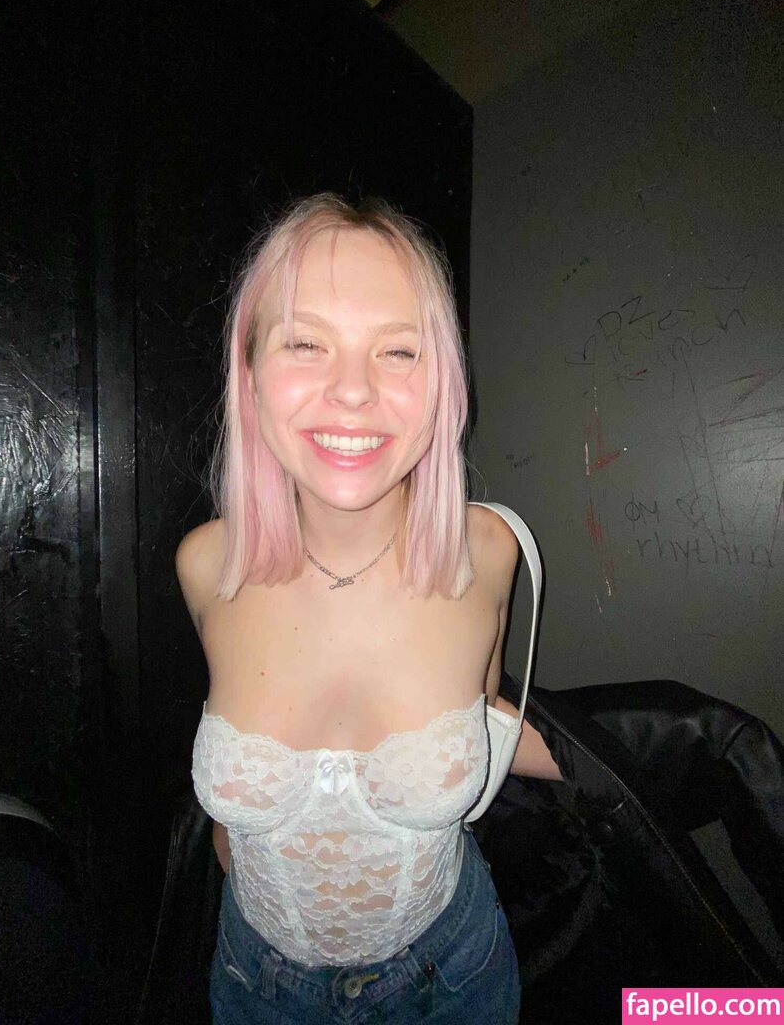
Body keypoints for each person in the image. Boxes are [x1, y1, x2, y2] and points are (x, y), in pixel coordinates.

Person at [176, 193, 562, 1024]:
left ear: (442, 383)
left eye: (398, 350)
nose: (352, 390)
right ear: (249, 371)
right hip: (254, 985)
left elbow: (484, 719)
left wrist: (646, 767)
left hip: (453, 979)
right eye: (306, 342)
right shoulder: (206, 564)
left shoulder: (488, 554)